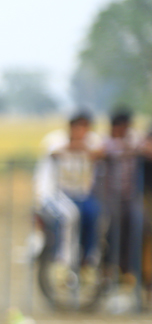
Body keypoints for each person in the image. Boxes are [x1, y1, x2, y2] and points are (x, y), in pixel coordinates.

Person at [34, 110, 103, 275]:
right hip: (54, 193)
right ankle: (63, 261)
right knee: (69, 216)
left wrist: (85, 148)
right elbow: (54, 152)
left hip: (80, 194)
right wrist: (77, 147)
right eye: (79, 127)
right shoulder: (55, 139)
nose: (82, 132)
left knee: (96, 214)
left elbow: (100, 153)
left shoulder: (92, 141)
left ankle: (88, 260)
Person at [96, 108, 144, 280]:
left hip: (130, 197)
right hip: (110, 198)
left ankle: (129, 269)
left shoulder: (133, 139)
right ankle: (108, 267)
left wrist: (131, 148)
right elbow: (100, 152)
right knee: (112, 230)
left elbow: (144, 148)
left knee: (136, 226)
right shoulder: (105, 142)